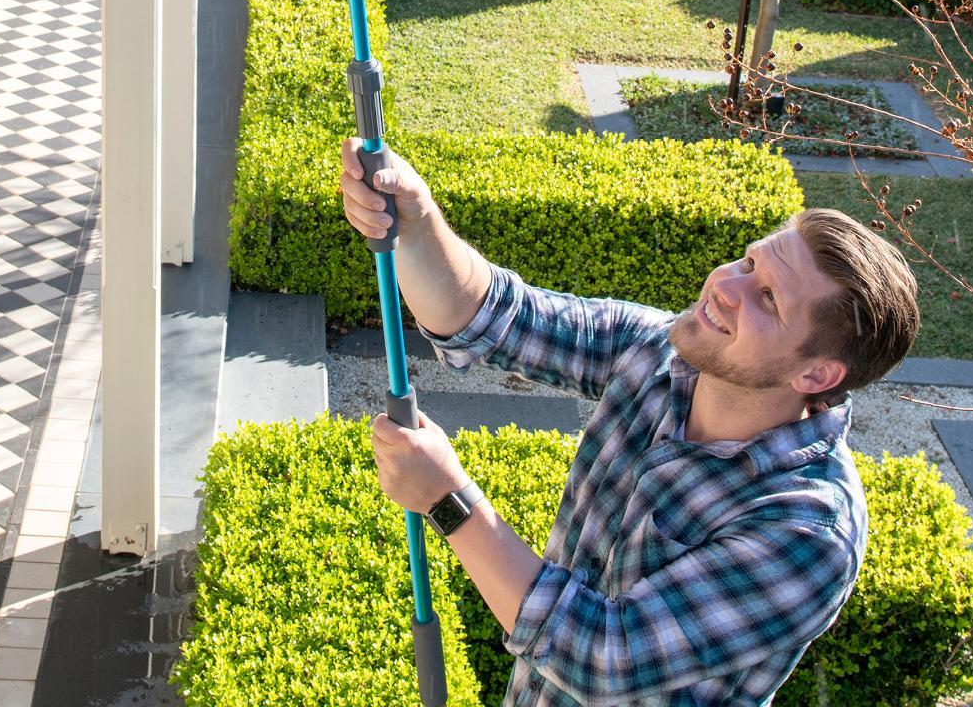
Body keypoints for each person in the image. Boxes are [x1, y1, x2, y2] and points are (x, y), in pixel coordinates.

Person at [340, 138, 920, 707]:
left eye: (768, 297)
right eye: (748, 260)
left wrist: (448, 499)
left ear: (817, 376)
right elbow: (494, 315)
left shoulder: (808, 531)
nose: (725, 285)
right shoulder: (659, 352)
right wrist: (418, 225)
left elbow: (603, 658)